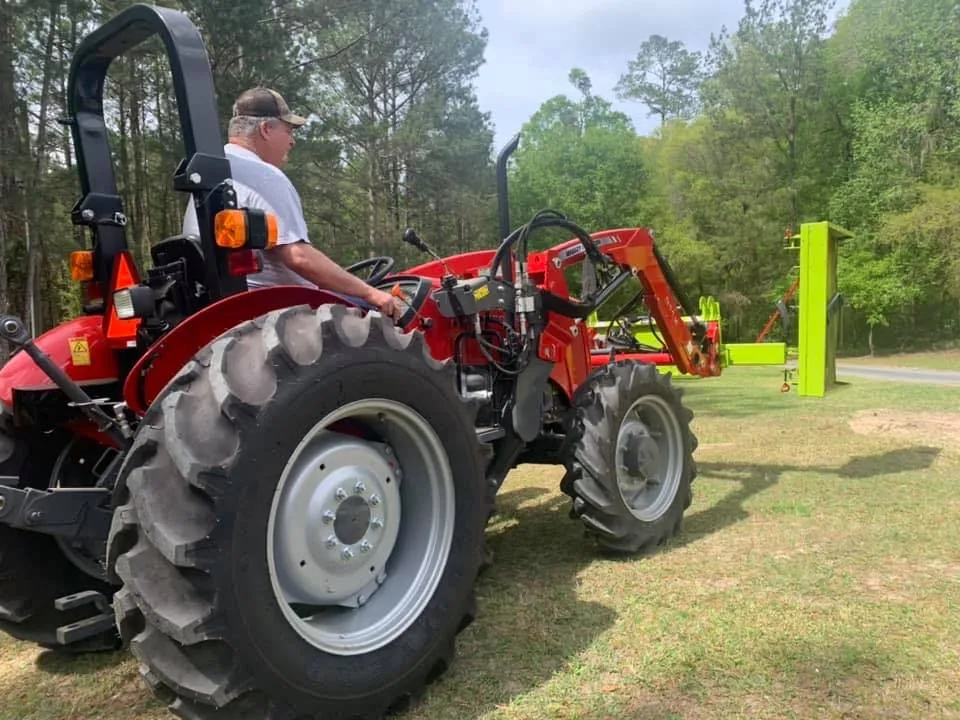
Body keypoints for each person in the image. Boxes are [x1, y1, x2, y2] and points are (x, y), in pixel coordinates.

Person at [182, 87, 401, 320]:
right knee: (385, 316)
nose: (292, 141)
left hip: (237, 308)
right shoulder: (262, 174)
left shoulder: (214, 173)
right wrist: (371, 293)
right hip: (280, 312)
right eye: (288, 130)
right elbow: (299, 257)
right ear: (266, 129)